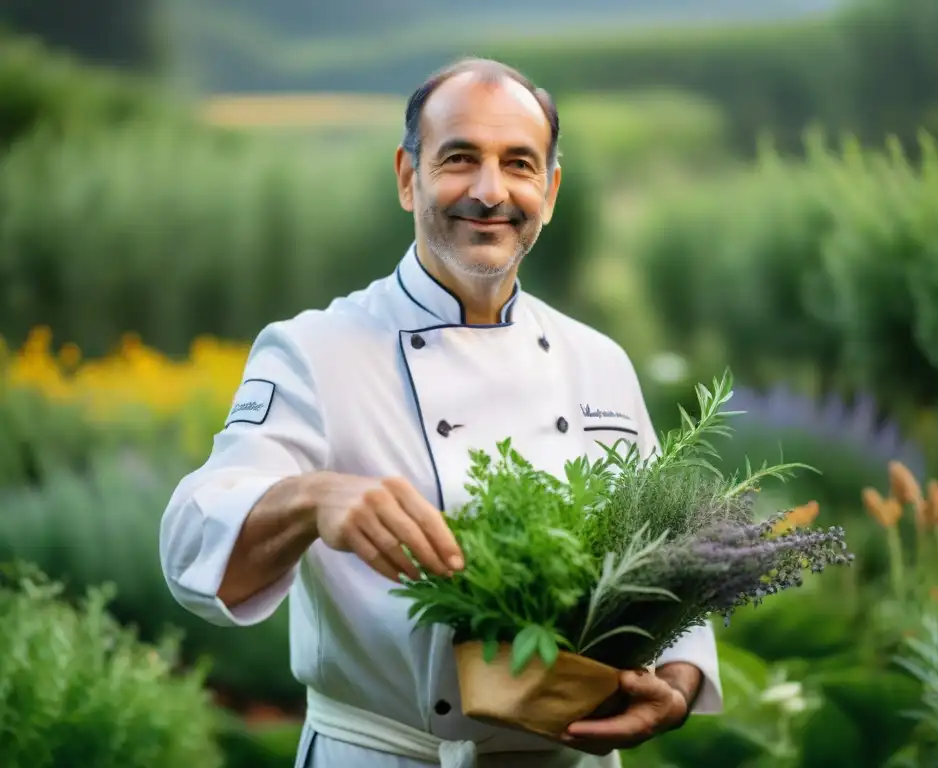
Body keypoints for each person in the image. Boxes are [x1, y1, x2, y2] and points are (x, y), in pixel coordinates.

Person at [159, 57, 722, 768]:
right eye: (460, 159)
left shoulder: (598, 360)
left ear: (548, 191)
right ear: (407, 176)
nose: (490, 192)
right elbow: (188, 544)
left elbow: (667, 562)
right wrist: (312, 499)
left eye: (519, 164)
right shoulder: (316, 350)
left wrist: (677, 682)